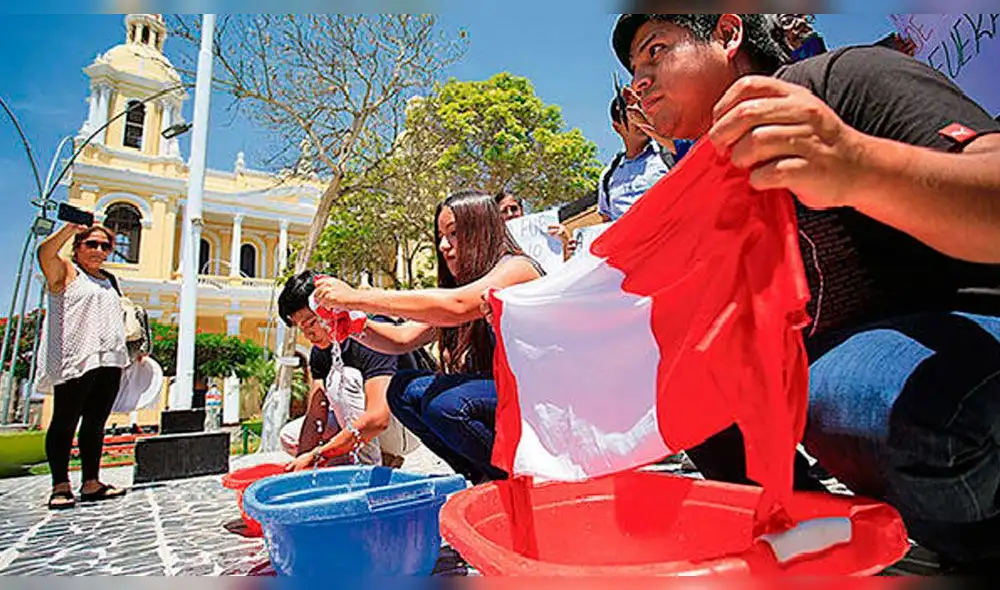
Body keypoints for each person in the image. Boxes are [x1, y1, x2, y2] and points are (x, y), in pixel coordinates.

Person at [612, 12, 1000, 572]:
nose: (638, 82)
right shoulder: (704, 181)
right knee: (683, 372)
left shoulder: (843, 80)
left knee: (866, 398)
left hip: (967, 354)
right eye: (631, 70)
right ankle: (808, 533)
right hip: (880, 391)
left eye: (655, 52)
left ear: (727, 34)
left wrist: (856, 166)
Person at [311, 189, 544, 483]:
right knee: (403, 390)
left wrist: (357, 298)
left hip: (539, 400)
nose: (444, 246)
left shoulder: (517, 268)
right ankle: (479, 477)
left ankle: (513, 479)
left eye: (455, 233)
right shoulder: (467, 287)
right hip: (504, 397)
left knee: (446, 404)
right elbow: (403, 338)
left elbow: (456, 305)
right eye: (441, 237)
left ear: (481, 230)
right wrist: (356, 327)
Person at [277, 271, 419, 470]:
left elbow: (378, 419)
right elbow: (316, 415)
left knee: (341, 378)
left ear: (330, 309)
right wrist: (302, 462)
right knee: (290, 436)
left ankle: (369, 467)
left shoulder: (368, 334)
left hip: (405, 425)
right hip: (367, 423)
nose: (308, 333)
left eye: (311, 322)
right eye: (301, 327)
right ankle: (346, 465)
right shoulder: (320, 352)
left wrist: (318, 455)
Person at [36, 223, 130, 509]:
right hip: (76, 357)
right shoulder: (65, 271)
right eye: (91, 244)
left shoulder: (109, 280)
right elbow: (44, 252)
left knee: (95, 422)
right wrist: (69, 228)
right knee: (65, 419)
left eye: (105, 246)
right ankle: (60, 484)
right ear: (77, 247)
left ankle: (91, 481)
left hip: (109, 358)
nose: (98, 250)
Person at [597, 92, 674, 222]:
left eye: (642, 111)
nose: (638, 118)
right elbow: (606, 222)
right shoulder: (608, 176)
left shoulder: (669, 154)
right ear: (617, 127)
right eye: (631, 115)